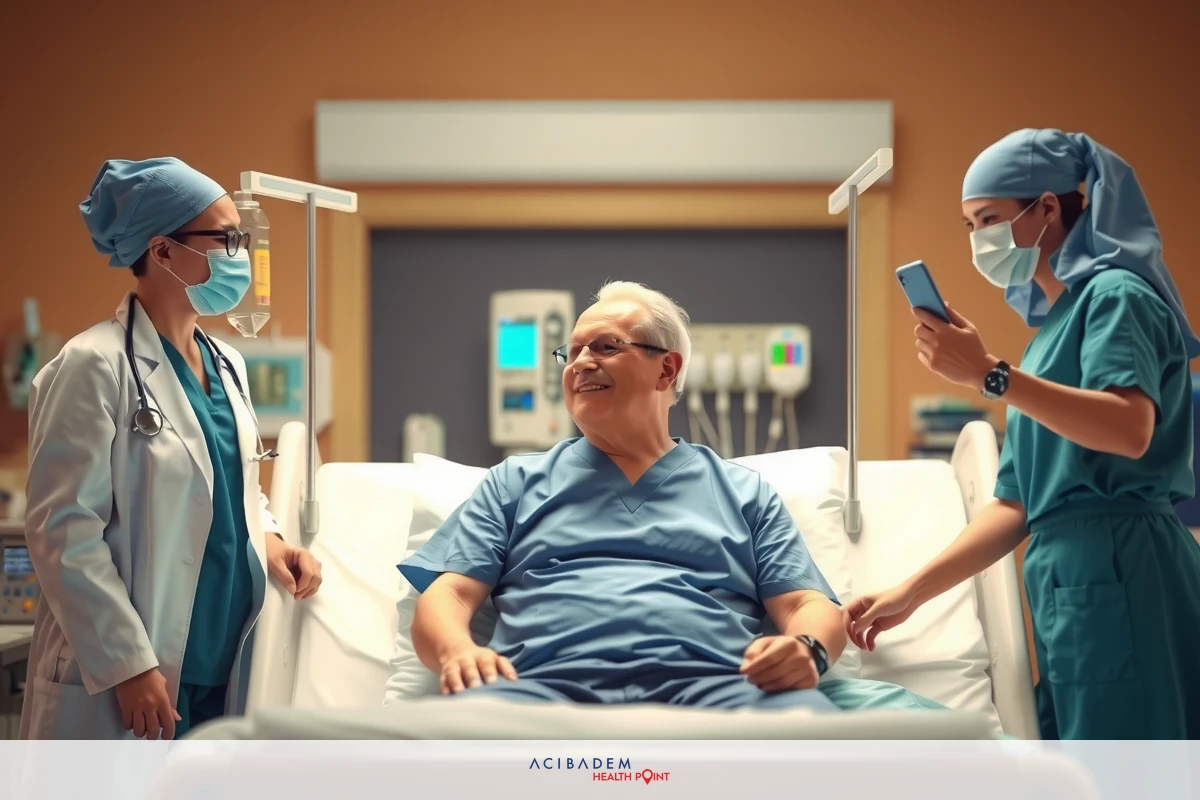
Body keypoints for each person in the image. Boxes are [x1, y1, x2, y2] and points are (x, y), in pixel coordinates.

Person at [846, 128, 1200, 740]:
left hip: (1124, 564)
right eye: (968, 224)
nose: (979, 238)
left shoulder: (1117, 296)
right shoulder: (1045, 340)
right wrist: (911, 592)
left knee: (1132, 774)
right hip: (1068, 576)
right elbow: (1014, 504)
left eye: (989, 218)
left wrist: (989, 375)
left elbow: (1129, 428)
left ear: (1046, 209)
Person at [398, 281, 850, 712]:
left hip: (721, 694)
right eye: (571, 352)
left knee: (823, 751)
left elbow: (807, 605)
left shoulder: (743, 492)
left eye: (606, 346)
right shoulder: (514, 482)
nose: (579, 363)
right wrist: (458, 651)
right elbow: (447, 596)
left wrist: (805, 650)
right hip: (534, 691)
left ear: (666, 370)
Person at [21, 157, 324, 740]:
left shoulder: (228, 364)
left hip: (220, 659)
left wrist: (272, 539)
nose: (241, 255)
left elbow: (235, 489)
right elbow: (63, 530)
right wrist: (127, 663)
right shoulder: (93, 364)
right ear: (162, 252)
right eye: (226, 238)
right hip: (132, 668)